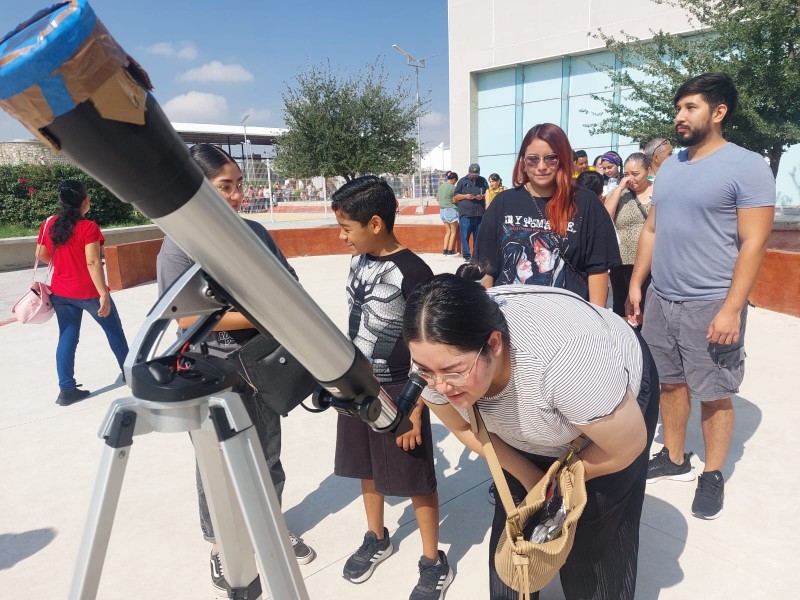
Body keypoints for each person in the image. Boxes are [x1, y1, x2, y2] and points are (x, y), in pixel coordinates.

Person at [402, 268, 659, 600]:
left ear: (493, 344)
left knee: (591, 538)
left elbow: (626, 447)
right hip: (533, 412)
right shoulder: (433, 358)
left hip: (611, 416)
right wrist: (531, 480)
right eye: (426, 371)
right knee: (515, 535)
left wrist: (558, 486)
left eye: (453, 372)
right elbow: (464, 426)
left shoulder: (567, 361)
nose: (438, 386)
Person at [156, 144, 315, 594]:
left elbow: (291, 288)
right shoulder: (179, 247)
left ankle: (270, 527)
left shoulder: (256, 233)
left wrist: (256, 309)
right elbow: (187, 319)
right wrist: (263, 308)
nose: (237, 196)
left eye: (239, 185)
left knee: (267, 455)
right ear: (198, 189)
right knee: (216, 465)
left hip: (263, 367)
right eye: (225, 187)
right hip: (207, 372)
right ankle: (221, 545)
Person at [627, 72, 776, 520]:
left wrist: (732, 309)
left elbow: (754, 242)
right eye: (678, 108)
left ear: (718, 112)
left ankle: (711, 473)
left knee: (713, 392)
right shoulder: (670, 165)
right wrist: (637, 283)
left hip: (712, 303)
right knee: (670, 383)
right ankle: (674, 457)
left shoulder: (747, 166)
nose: (680, 116)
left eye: (690, 107)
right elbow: (652, 229)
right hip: (663, 298)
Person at [331, 176, 453, 600]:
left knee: (415, 476)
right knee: (365, 466)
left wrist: (414, 406)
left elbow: (428, 344)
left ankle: (432, 559)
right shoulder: (360, 261)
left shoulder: (414, 272)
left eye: (347, 227)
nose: (342, 236)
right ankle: (376, 535)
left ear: (376, 223)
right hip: (357, 385)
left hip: (399, 388)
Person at [473, 123, 620, 306]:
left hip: (569, 321)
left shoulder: (586, 202)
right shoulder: (503, 203)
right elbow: (487, 268)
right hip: (511, 319)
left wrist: (596, 318)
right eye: (532, 159)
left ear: (563, 159)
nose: (541, 166)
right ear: (523, 163)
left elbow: (598, 268)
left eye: (551, 158)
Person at [35, 180, 129, 406]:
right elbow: (93, 261)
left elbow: (41, 253)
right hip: (88, 291)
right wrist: (103, 294)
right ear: (85, 201)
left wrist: (61, 265)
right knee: (114, 331)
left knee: (67, 337)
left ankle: (66, 390)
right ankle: (132, 374)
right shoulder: (88, 227)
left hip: (61, 291)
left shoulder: (49, 224)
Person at [604, 152, 653, 319]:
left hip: (651, 261)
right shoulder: (619, 194)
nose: (631, 178)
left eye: (636, 174)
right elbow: (604, 218)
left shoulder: (658, 191)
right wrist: (619, 189)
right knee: (621, 307)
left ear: (648, 170)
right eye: (626, 174)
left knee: (646, 307)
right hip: (622, 262)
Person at [453, 163, 488, 260]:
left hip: (479, 213)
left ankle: (477, 256)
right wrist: (465, 196)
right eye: (472, 174)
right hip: (466, 213)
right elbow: (455, 197)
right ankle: (467, 256)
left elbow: (488, 193)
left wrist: (482, 196)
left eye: (476, 175)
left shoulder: (483, 181)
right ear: (469, 172)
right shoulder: (462, 181)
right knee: (465, 236)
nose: (474, 177)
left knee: (479, 236)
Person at [436, 171, 459, 255]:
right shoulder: (453, 188)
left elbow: (437, 198)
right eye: (455, 181)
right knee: (453, 231)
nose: (455, 183)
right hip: (451, 210)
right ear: (454, 179)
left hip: (442, 211)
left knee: (447, 231)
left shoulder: (441, 186)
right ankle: (450, 250)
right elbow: (454, 200)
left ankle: (445, 249)